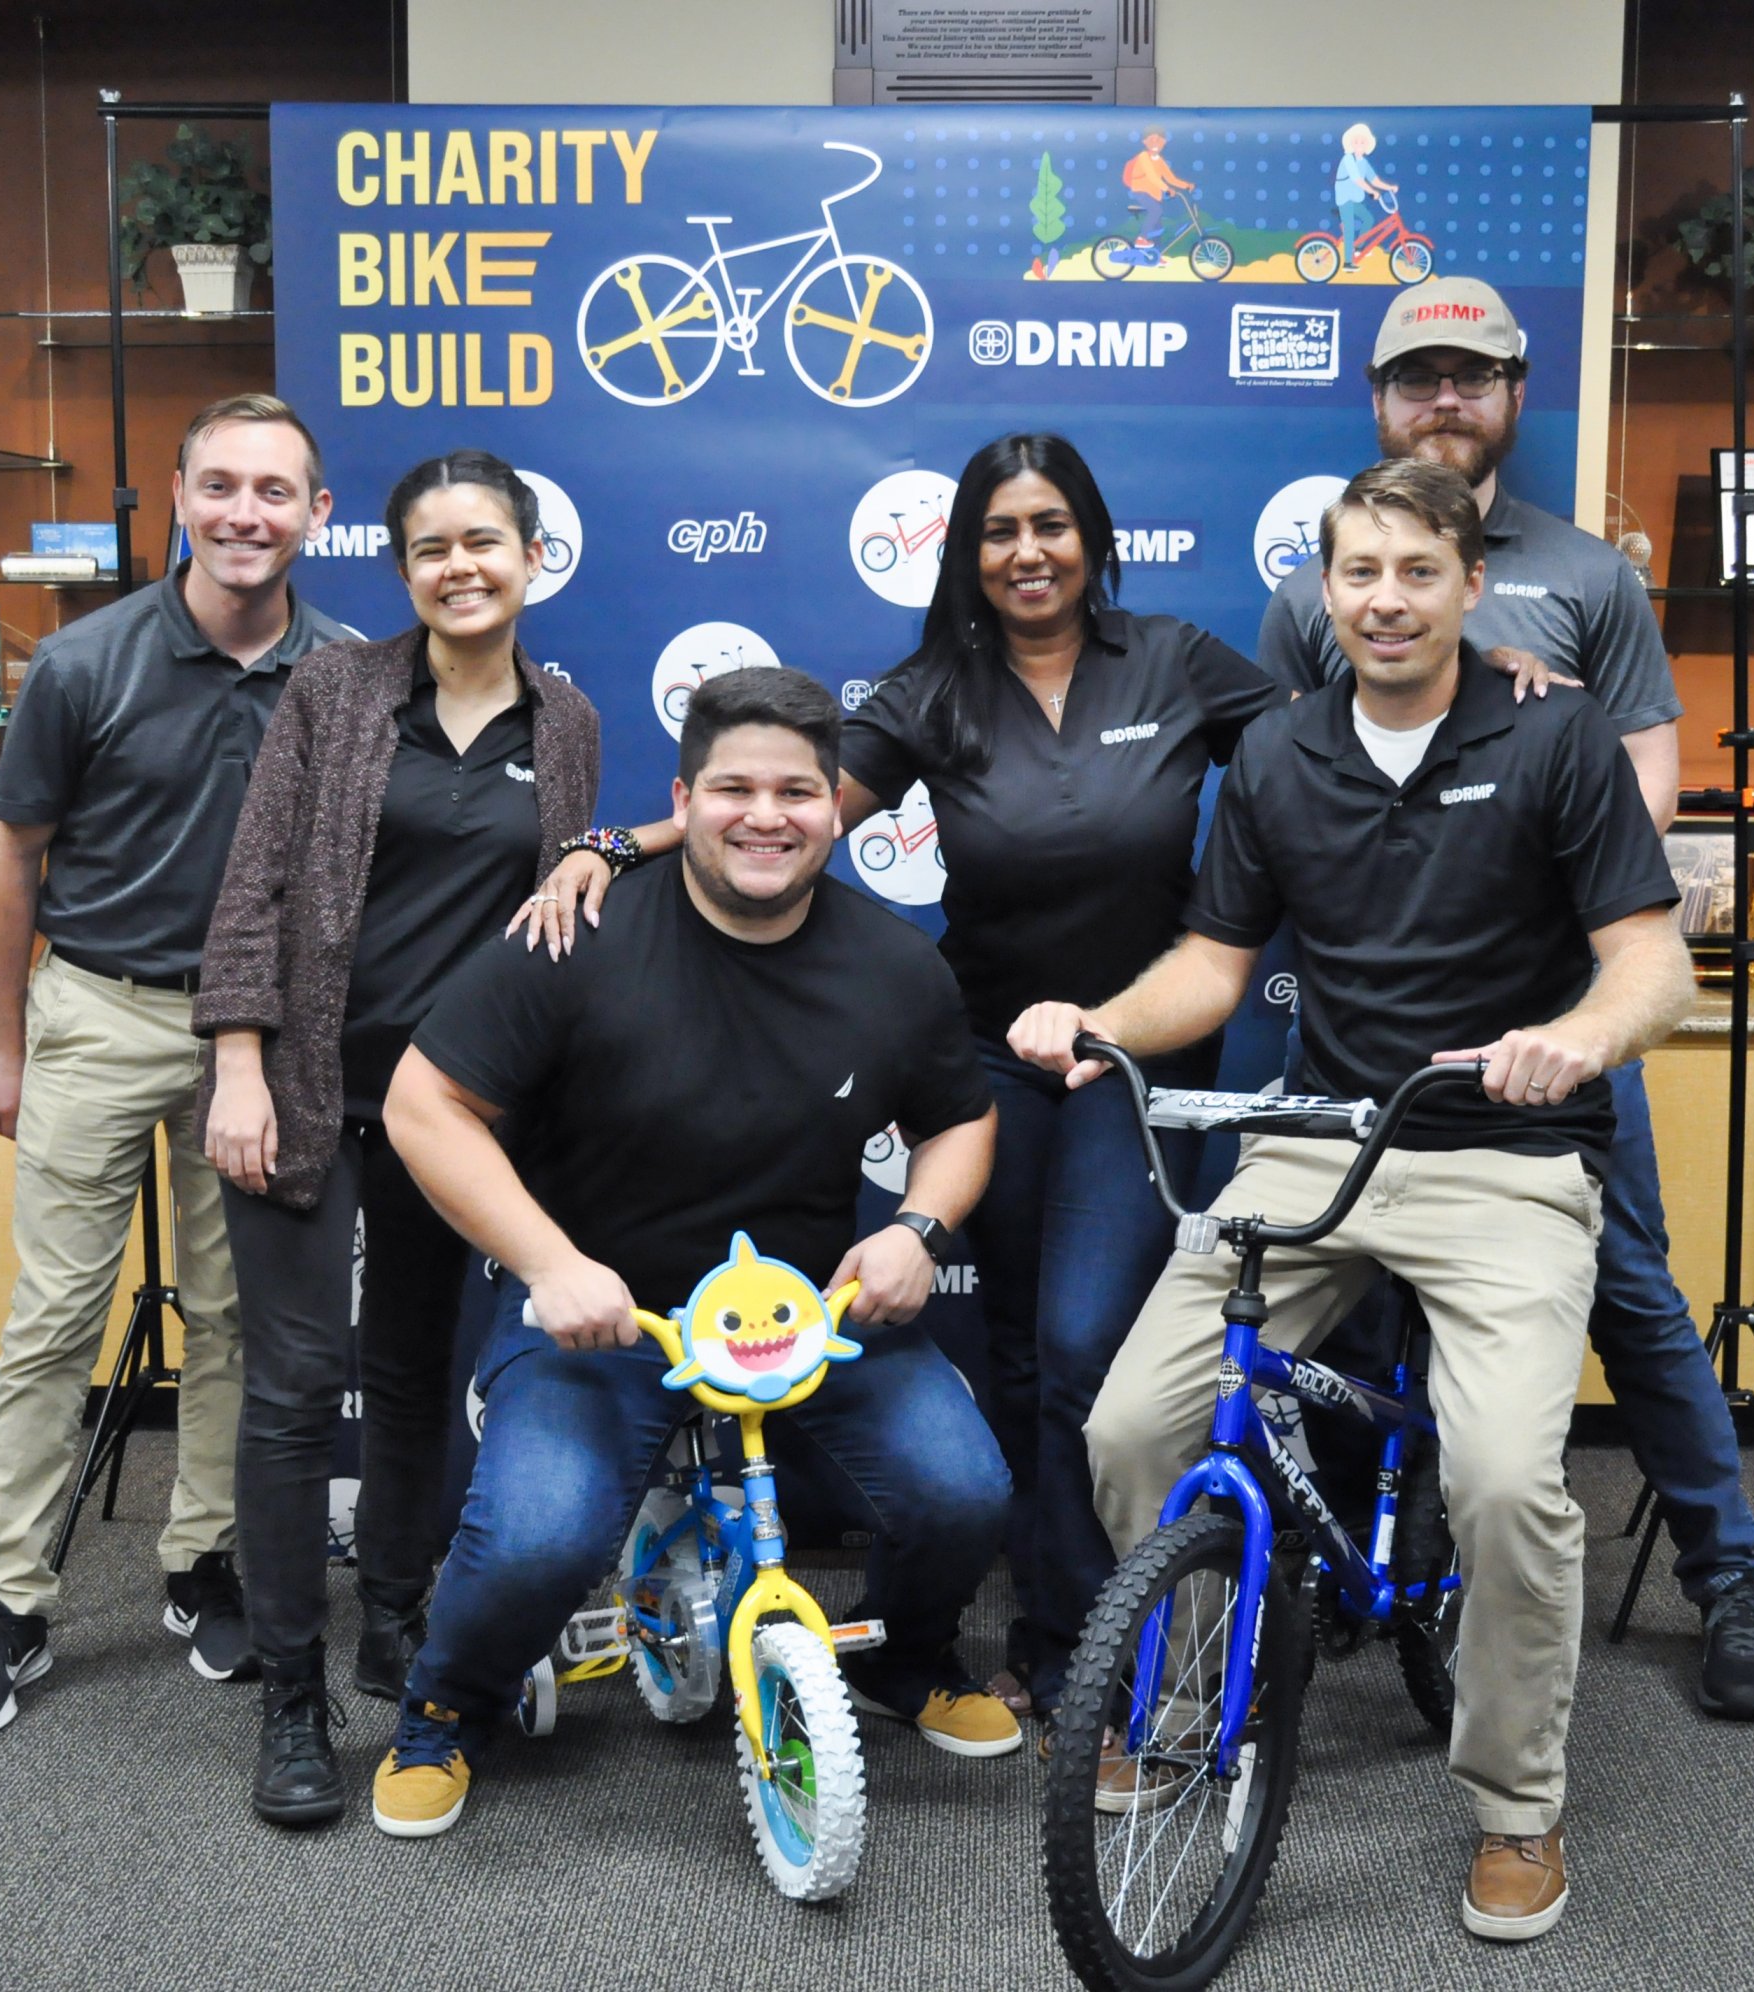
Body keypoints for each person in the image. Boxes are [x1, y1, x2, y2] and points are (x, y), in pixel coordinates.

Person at [1013, 458, 1695, 1941]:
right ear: (1325, 592)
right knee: (1132, 1424)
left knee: (1504, 1481)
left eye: (1417, 572)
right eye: (1360, 573)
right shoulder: (1278, 754)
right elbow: (1215, 965)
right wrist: (1103, 1024)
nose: (1387, 600)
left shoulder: (1556, 735)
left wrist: (1579, 1038)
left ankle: (1516, 1806)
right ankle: (1204, 1696)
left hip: (1507, 1156)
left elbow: (1653, 957)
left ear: (1470, 587)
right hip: (1323, 1139)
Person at [526, 433, 1282, 1727]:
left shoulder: (1175, 660)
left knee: (1085, 1345)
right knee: (1023, 1356)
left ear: (1092, 537)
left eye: (1051, 525)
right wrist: (614, 843)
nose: (1028, 552)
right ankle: (1039, 1638)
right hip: (990, 1058)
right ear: (967, 553)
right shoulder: (939, 690)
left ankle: (1091, 1633)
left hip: (1133, 1054)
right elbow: (780, 807)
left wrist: (1489, 679)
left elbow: (1321, 751)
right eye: (999, 531)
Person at [1256, 275, 1754, 1722]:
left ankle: (1729, 1575)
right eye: (1417, 377)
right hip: (1372, 1023)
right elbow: (1300, 775)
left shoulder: (1590, 576)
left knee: (1632, 1294)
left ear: (1513, 394)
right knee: (1362, 1300)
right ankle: (1396, 1556)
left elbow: (1649, 780)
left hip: (1558, 1022)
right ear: (1378, 400)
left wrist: (1522, 822)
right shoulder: (1316, 593)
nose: (1445, 400)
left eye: (1472, 377)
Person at [368, 667, 1021, 1840]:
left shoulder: (893, 964)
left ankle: (908, 1654)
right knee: (538, 1538)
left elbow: (963, 1120)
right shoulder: (576, 933)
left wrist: (918, 1229)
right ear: (682, 800)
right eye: (734, 789)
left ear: (836, 807)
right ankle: (447, 1705)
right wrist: (550, 1264)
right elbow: (424, 1105)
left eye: (797, 792)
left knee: (962, 1492)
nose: (766, 816)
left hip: (801, 1313)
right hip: (607, 1316)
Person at [0, 393, 352, 1739]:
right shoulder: (84, 663)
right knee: (55, 1318)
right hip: (100, 1016)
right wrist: (1, 1040)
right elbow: (13, 855)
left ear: (316, 514)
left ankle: (202, 1561)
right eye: (219, 485)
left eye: (274, 491)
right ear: (178, 497)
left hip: (261, 1044)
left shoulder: (346, 675)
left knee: (233, 1318)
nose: (244, 514)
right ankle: (9, 1600)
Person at [191, 449, 603, 1826]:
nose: (458, 567)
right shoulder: (337, 691)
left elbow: (562, 904)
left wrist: (609, 853)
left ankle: (397, 1620)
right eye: (431, 548)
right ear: (403, 567)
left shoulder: (568, 721)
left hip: (453, 1112)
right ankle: (291, 1697)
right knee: (297, 1389)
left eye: (483, 541)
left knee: (418, 1377)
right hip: (304, 1092)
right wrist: (237, 1063)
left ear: (531, 556)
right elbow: (254, 883)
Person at [1120, 128, 1194, 251]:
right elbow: (1152, 177)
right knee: (1156, 211)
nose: (1155, 143)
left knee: (1157, 228)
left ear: (1164, 142)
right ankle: (1141, 238)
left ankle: (1156, 255)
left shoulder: (1159, 160)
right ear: (1144, 142)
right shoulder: (1143, 157)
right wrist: (1167, 189)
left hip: (1155, 196)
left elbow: (1170, 178)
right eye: (1151, 140)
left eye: (1159, 140)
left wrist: (1186, 185)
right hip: (1141, 192)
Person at [1332, 121, 1394, 252]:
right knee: (1349, 228)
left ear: (1367, 145)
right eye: (1356, 142)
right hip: (1345, 199)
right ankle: (1348, 260)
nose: (1359, 145)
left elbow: (1374, 180)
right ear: (1351, 144)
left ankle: (1359, 247)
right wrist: (1373, 192)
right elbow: (1357, 180)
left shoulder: (1364, 162)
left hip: (1354, 199)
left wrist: (1389, 187)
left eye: (1363, 142)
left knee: (1368, 219)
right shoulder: (1348, 159)